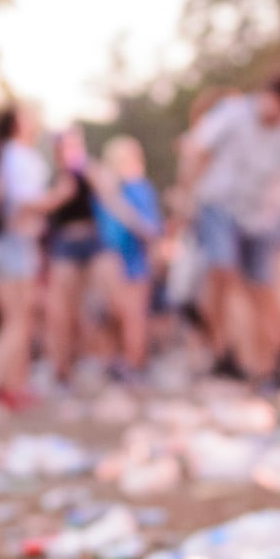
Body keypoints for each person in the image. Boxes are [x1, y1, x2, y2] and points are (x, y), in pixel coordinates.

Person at [180, 75, 280, 383]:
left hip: (261, 216)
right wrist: (187, 195)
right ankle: (220, 347)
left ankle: (269, 366)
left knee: (262, 291)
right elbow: (198, 151)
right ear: (268, 96)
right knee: (222, 269)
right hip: (220, 206)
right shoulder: (233, 114)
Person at [0, 107, 49, 411]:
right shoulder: (18, 156)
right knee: (18, 318)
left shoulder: (7, 154)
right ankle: (0, 380)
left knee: (19, 317)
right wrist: (59, 197)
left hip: (11, 243)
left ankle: (15, 384)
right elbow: (23, 201)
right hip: (16, 242)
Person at [90, 135, 163, 379]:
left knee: (132, 314)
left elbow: (149, 228)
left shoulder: (134, 189)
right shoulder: (113, 191)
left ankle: (133, 364)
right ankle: (121, 362)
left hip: (132, 257)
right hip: (115, 257)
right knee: (115, 314)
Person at [40, 128, 102, 385]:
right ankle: (61, 366)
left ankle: (77, 363)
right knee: (61, 311)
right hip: (65, 244)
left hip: (89, 243)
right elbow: (48, 209)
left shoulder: (88, 173)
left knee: (82, 310)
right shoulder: (55, 178)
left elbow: (107, 190)